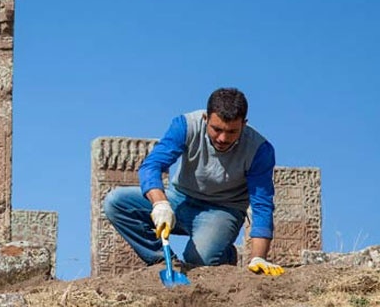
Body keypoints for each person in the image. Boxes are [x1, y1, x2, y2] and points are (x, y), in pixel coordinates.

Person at [104, 87, 284, 276]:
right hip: (179, 199)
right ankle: (162, 261)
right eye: (217, 129)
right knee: (115, 202)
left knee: (199, 260)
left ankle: (224, 255)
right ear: (205, 118)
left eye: (232, 131)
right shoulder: (186, 125)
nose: (223, 138)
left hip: (223, 210)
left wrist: (258, 257)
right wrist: (160, 203)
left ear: (244, 124)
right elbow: (152, 166)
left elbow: (262, 205)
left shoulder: (259, 149)